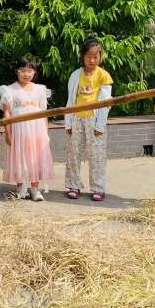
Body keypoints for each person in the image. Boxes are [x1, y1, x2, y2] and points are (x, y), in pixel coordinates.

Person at [64, 36, 113, 201]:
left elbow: (106, 103)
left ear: (100, 56)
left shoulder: (103, 75)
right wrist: (68, 122)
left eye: (95, 56)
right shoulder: (75, 75)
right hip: (76, 118)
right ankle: (73, 185)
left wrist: (100, 125)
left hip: (94, 120)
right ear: (82, 56)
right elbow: (70, 99)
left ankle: (98, 188)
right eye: (88, 56)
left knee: (96, 155)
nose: (92, 60)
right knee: (73, 153)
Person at [0, 57, 54, 201]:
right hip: (19, 130)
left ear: (34, 72)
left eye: (30, 70)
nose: (26, 74)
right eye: (22, 70)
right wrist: (8, 133)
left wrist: (45, 132)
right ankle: (21, 188)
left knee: (36, 157)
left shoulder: (40, 89)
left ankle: (35, 189)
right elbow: (6, 113)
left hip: (37, 130)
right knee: (20, 156)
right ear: (16, 71)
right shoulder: (9, 90)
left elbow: (44, 112)